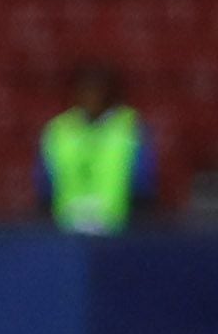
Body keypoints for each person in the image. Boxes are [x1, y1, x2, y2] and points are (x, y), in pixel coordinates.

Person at [38, 63, 155, 233]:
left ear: (110, 94)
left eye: (97, 91)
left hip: (117, 229)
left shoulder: (129, 127)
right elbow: (44, 185)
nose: (92, 97)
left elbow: (143, 183)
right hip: (67, 230)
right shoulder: (58, 130)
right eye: (86, 90)